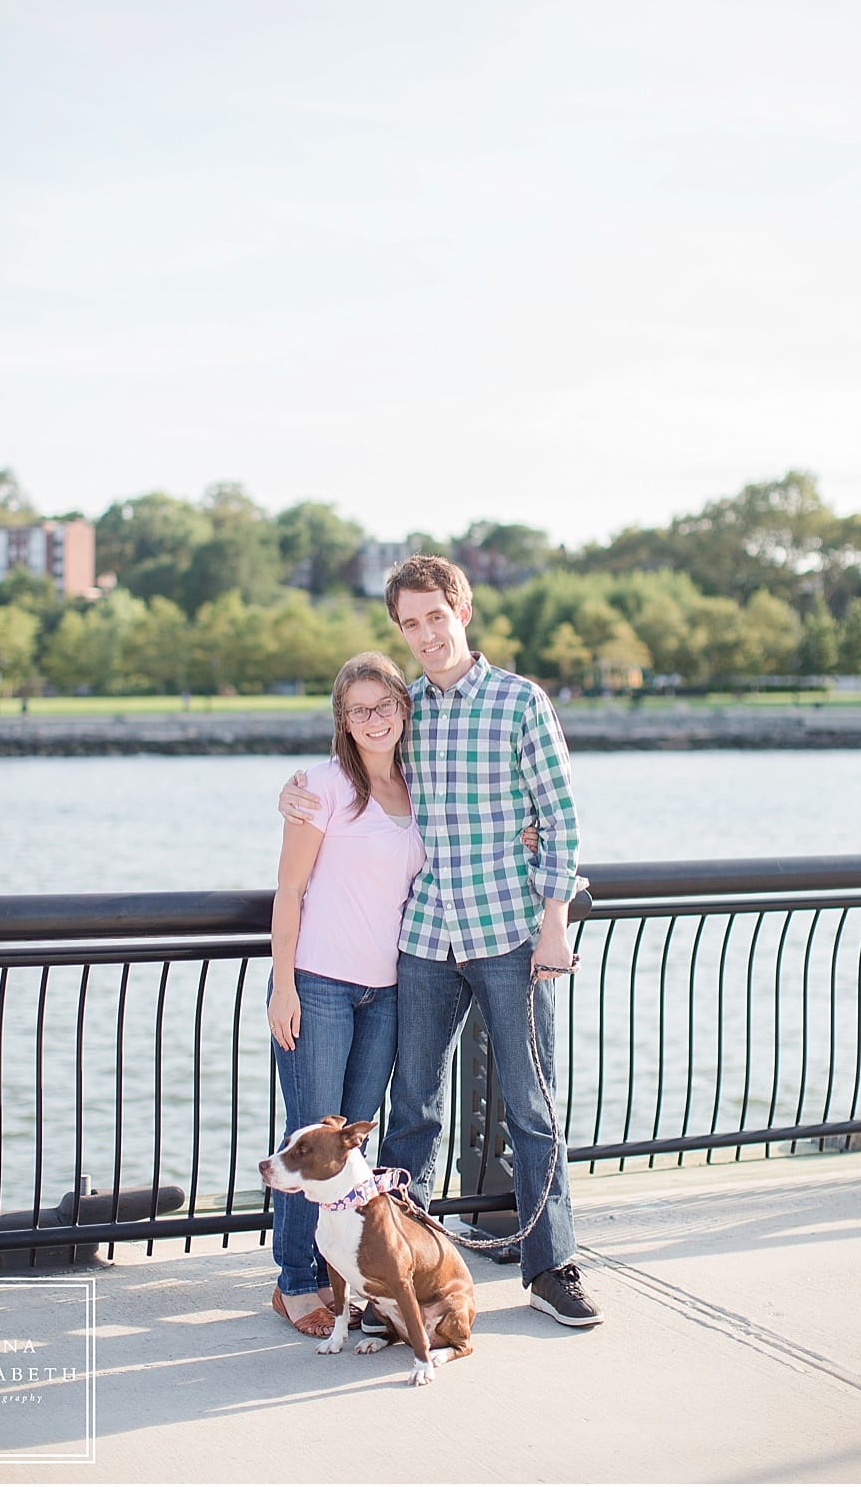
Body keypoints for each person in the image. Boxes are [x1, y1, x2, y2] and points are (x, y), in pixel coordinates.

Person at [279, 554, 598, 1329]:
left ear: (463, 611)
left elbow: (560, 818)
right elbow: (356, 767)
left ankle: (550, 1265)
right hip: (421, 942)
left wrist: (553, 922)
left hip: (508, 935)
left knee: (531, 1107)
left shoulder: (520, 703)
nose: (425, 634)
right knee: (413, 1110)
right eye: (409, 623)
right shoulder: (405, 707)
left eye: (435, 616)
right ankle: (403, 1272)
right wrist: (294, 791)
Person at [265, 652, 423, 1336]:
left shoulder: (422, 788)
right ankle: (295, 1282)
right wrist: (283, 985)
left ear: (401, 707)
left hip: (385, 992)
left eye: (383, 704)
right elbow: (290, 890)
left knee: (349, 1154)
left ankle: (342, 1278)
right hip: (321, 987)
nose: (373, 719)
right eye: (358, 709)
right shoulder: (320, 786)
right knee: (309, 1144)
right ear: (342, 720)